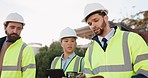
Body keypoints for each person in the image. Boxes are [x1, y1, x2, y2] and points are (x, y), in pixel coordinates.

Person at [81, 3, 148, 78]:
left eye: (96, 20)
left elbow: (145, 70)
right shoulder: (90, 50)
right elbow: (88, 75)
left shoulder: (132, 39)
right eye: (90, 24)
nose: (93, 25)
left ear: (105, 18)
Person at [0, 12, 36, 78]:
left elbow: (29, 76)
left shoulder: (26, 50)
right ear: (5, 27)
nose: (15, 31)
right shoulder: (1, 44)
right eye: (12, 27)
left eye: (19, 28)